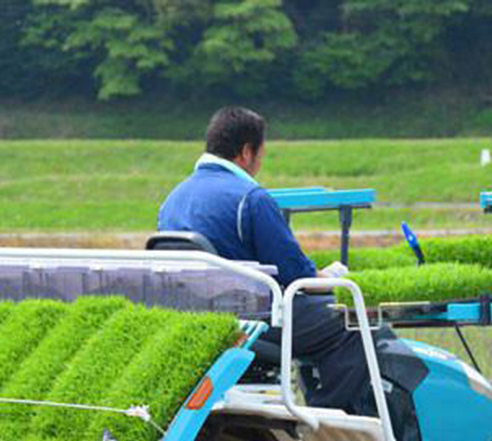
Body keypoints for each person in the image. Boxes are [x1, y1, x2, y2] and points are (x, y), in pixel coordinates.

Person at [157, 106, 378, 415]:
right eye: (261, 154)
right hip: (251, 319)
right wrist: (328, 276)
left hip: (197, 317)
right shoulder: (251, 198)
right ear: (246, 151)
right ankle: (329, 424)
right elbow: (295, 273)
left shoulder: (172, 200)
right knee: (355, 319)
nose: (260, 162)